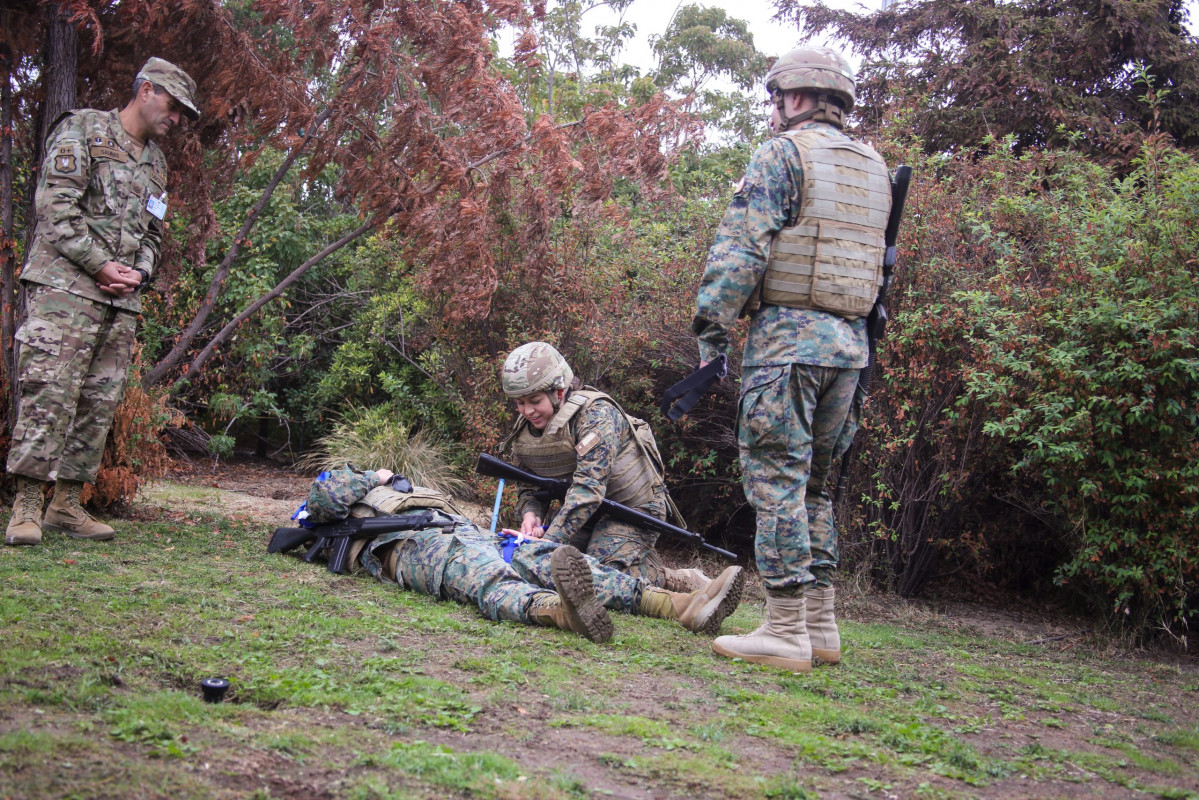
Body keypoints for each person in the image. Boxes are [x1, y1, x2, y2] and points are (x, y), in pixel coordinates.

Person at [690, 47, 892, 671]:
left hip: (787, 349)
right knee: (817, 490)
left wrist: (711, 333)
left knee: (777, 483)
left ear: (798, 97)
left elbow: (740, 250)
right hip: (851, 353)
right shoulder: (875, 168)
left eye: (779, 96)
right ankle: (820, 627)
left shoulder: (782, 154)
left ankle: (783, 631)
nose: (774, 108)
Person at [5, 58, 200, 547]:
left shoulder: (156, 163)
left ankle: (66, 506)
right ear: (146, 90)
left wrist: (143, 271)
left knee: (96, 404)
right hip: (65, 293)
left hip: (120, 303)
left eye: (180, 113)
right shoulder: (84, 130)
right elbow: (55, 208)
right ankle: (25, 506)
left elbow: (154, 232)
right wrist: (98, 264)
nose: (175, 119)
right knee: (50, 394)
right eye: (173, 106)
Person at [284, 466, 745, 642]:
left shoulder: (409, 491)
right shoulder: (341, 486)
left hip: (459, 529)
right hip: (405, 546)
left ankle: (679, 606)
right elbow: (321, 504)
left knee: (548, 558)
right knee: (483, 577)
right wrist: (374, 476)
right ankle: (558, 611)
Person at [499, 341, 711, 593]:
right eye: (520, 403)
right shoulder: (527, 428)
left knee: (598, 576)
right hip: (585, 515)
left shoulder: (596, 414)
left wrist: (549, 541)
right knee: (544, 567)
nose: (527, 411)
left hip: (635, 509)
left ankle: (672, 578)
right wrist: (531, 515)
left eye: (534, 400)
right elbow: (530, 484)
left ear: (559, 391)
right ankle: (627, 553)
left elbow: (589, 488)